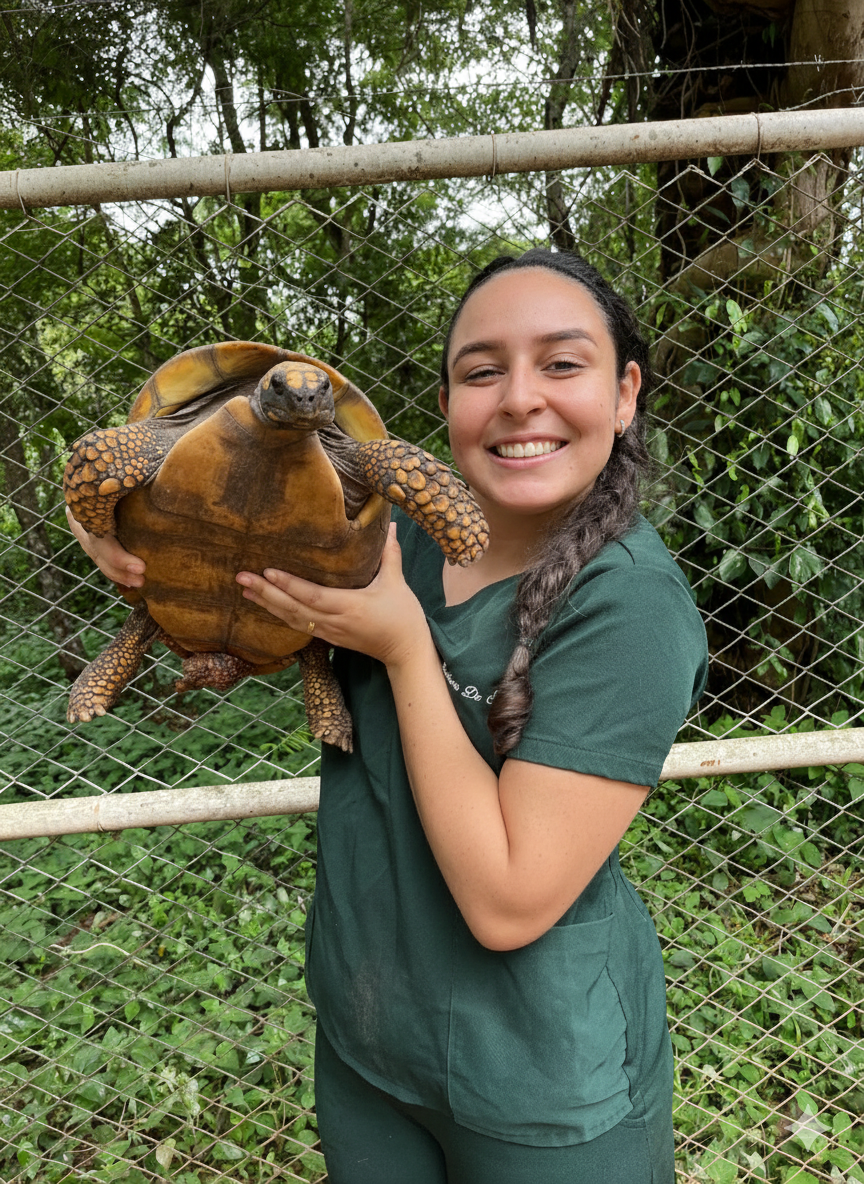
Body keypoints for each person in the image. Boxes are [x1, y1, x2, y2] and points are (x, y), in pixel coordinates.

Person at [69, 248, 708, 1183]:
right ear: (447, 403)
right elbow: (242, 607)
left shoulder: (632, 608)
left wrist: (408, 647)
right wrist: (114, 524)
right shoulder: (378, 533)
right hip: (367, 1030)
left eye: (563, 364)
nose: (520, 398)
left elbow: (509, 902)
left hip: (540, 1078)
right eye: (481, 371)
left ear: (624, 393)